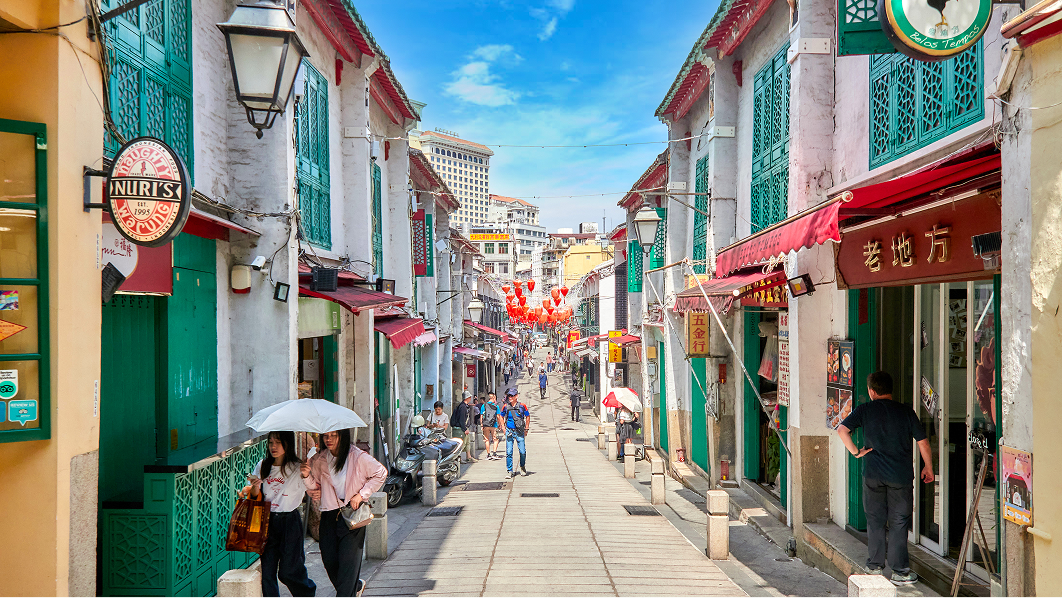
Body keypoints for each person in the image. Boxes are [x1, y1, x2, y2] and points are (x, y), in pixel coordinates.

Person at [837, 371, 933, 585]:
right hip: (900, 477)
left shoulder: (864, 410)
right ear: (890, 390)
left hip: (873, 475)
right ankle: (900, 571)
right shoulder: (906, 412)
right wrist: (928, 467)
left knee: (875, 520)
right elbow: (923, 442)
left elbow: (842, 430)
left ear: (872, 391)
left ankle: (874, 568)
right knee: (899, 522)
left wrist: (856, 452)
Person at [304, 428, 387, 598]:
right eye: (326, 435)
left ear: (343, 435)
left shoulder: (357, 457)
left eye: (334, 435)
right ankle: (355, 586)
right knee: (330, 561)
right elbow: (315, 487)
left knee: (348, 566)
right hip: (328, 515)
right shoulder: (320, 459)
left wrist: (361, 495)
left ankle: (348, 590)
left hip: (352, 515)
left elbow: (380, 473)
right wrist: (306, 476)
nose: (329, 439)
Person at [239, 431, 316, 598]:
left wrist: (306, 474)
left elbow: (312, 488)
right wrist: (255, 487)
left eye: (278, 442)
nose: (273, 446)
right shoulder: (262, 465)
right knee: (267, 573)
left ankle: (307, 593)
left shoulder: (297, 467)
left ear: (287, 444)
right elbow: (254, 496)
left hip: (290, 521)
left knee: (289, 571)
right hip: (267, 521)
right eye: (270, 442)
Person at [499, 387, 531, 478]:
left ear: (516, 396)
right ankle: (509, 470)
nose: (510, 397)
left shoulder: (522, 406)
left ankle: (522, 466)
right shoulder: (505, 406)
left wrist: (527, 428)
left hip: (519, 431)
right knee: (509, 452)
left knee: (522, 451)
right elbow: (501, 416)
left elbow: (527, 416)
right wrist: (503, 428)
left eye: (512, 395)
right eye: (509, 395)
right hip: (509, 431)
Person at [453, 392, 476, 462]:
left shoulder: (464, 406)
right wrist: (464, 429)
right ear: (467, 398)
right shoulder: (463, 407)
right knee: (462, 443)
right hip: (461, 428)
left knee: (467, 442)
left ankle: (469, 456)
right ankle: (458, 458)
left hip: (464, 427)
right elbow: (462, 419)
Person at [481, 392, 501, 460]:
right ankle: (494, 453)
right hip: (494, 424)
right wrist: (500, 424)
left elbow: (481, 416)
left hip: (486, 424)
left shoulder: (484, 406)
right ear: (494, 397)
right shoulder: (496, 406)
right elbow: (498, 416)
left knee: (487, 439)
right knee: (495, 439)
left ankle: (488, 454)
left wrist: (481, 424)